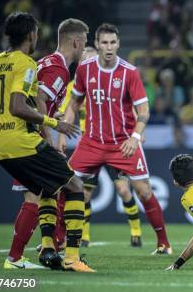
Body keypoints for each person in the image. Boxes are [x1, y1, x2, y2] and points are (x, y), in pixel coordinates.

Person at [0, 11, 94, 272]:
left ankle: (36, 252)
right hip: (23, 138)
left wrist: (51, 116)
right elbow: (34, 102)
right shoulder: (52, 67)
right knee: (74, 185)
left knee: (40, 194)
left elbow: (32, 99)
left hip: (0, 138)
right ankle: (70, 257)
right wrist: (51, 128)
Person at [60, 23, 171, 254]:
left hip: (123, 144)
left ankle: (163, 243)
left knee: (144, 192)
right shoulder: (85, 70)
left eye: (113, 42)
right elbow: (74, 104)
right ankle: (58, 240)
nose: (109, 47)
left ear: (118, 44)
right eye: (105, 43)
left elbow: (144, 111)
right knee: (65, 185)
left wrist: (136, 137)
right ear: (98, 44)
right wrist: (63, 132)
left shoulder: (130, 72)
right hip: (91, 142)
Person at [57, 46, 143, 248]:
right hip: (90, 145)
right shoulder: (75, 87)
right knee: (84, 193)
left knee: (123, 190)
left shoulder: (113, 81)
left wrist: (138, 132)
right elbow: (66, 112)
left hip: (115, 144)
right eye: (85, 60)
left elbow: (131, 105)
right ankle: (84, 236)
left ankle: (136, 232)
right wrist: (61, 132)